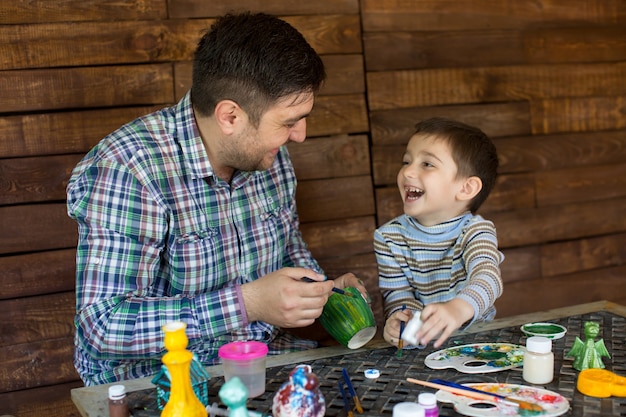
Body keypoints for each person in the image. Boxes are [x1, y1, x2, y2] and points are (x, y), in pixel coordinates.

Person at [66, 12, 366, 386]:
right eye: (289, 122)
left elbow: (288, 249)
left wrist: (323, 289)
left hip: (261, 359)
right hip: (161, 380)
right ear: (229, 116)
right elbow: (104, 325)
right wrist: (247, 303)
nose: (300, 135)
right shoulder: (129, 169)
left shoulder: (267, 155)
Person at [374, 117, 504, 349]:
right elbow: (399, 295)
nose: (407, 172)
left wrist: (457, 309)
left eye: (427, 164)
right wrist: (402, 321)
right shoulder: (388, 237)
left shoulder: (475, 231)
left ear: (466, 188)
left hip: (477, 343)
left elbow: (488, 278)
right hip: (423, 349)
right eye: (406, 161)